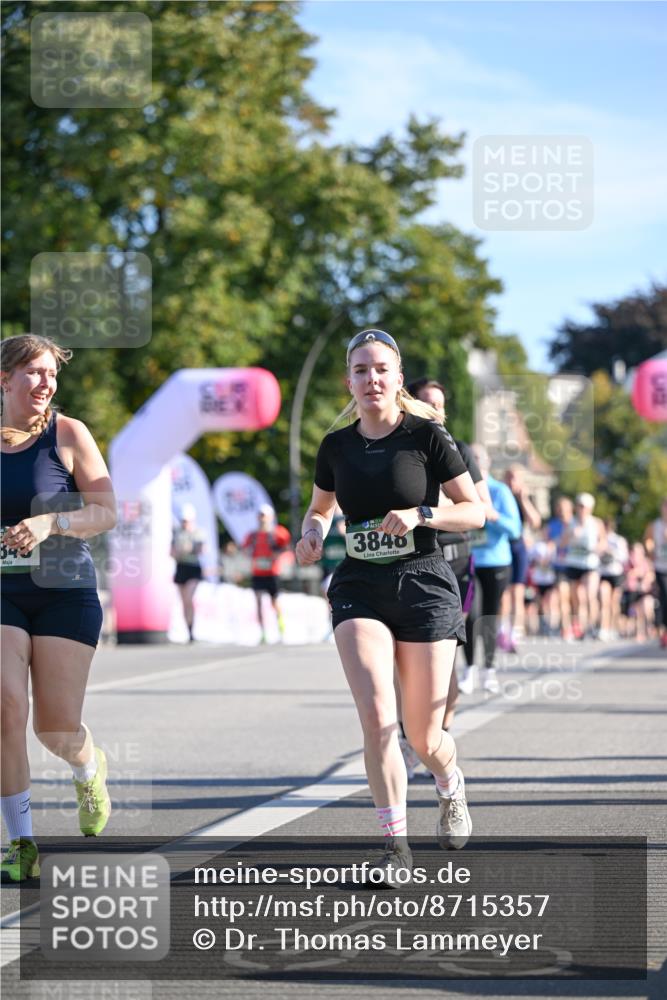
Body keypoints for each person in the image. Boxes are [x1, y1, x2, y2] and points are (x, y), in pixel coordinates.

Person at [295, 329, 485, 882]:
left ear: (397, 378)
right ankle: (394, 844)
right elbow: (320, 509)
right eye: (360, 370)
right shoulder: (336, 446)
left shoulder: (427, 437)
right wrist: (310, 534)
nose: (371, 379)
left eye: (381, 369)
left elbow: (474, 512)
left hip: (424, 581)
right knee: (379, 720)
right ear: (348, 381)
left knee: (423, 735)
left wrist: (423, 515)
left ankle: (450, 783)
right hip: (359, 585)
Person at [1, 334, 116, 882]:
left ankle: (87, 767)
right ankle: (22, 843)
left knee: (55, 728)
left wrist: (52, 522)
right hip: (3, 593)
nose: (46, 382)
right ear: (5, 380)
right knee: (5, 708)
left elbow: (106, 510)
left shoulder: (67, 435)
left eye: (51, 373)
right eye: (33, 373)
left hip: (64, 591)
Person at [459, 445, 522, 695]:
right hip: (467, 560)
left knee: (489, 618)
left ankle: (489, 671)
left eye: (474, 460)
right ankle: (470, 669)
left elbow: (515, 530)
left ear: (483, 464)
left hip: (495, 561)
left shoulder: (499, 490)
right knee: (470, 616)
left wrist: (491, 515)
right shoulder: (459, 490)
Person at [499, 466, 542, 652]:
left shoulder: (523, 499)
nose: (512, 482)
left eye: (515, 478)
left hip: (518, 547)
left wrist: (523, 498)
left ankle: (516, 633)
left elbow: (535, 521)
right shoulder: (499, 496)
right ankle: (503, 631)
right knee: (504, 594)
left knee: (518, 592)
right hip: (501, 546)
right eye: (509, 477)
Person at [242, 504, 291, 643]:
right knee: (258, 601)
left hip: (272, 572)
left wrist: (278, 554)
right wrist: (250, 553)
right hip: (257, 572)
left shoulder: (278, 532)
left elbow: (287, 548)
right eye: (260, 515)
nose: (262, 519)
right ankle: (262, 632)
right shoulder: (252, 535)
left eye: (265, 515)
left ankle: (281, 627)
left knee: (274, 601)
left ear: (271, 517)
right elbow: (245, 549)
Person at [561, 492, 606, 639]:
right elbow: (562, 543)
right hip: (574, 563)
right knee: (578, 599)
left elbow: (603, 542)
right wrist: (570, 535)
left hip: (590, 563)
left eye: (584, 507)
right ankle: (580, 626)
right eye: (579, 506)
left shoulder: (596, 523)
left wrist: (597, 548)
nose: (581, 509)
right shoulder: (571, 523)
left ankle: (592, 626)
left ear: (590, 508)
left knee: (589, 595)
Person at [171, 502, 205, 642]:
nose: (184, 523)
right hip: (181, 567)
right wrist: (179, 552)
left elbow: (201, 549)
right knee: (184, 602)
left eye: (186, 521)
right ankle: (189, 630)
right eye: (182, 520)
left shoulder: (198, 532)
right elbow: (172, 552)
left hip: (193, 568)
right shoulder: (177, 533)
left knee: (188, 599)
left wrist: (188, 549)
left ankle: (192, 628)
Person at [598, 518, 629, 641]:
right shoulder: (599, 540)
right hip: (603, 573)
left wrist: (612, 553)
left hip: (616, 573)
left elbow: (624, 556)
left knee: (614, 603)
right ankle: (604, 627)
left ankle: (613, 628)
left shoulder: (617, 540)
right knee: (604, 601)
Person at [644, 498, 667, 648]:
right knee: (664, 598)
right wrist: (650, 549)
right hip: (661, 567)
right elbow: (648, 540)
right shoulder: (655, 525)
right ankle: (663, 632)